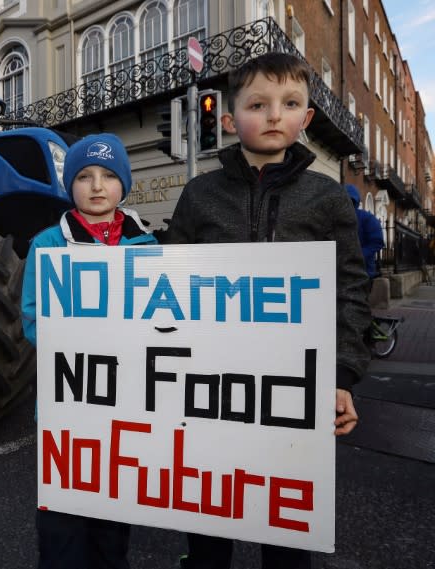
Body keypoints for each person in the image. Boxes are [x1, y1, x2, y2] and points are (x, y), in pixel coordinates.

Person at [165, 53, 371, 569]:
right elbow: (167, 283)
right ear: (231, 119)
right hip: (210, 384)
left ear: (306, 118)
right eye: (259, 104)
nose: (274, 115)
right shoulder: (199, 194)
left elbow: (349, 288)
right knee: (208, 513)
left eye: (290, 104)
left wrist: (343, 373)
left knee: (285, 528)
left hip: (291, 390)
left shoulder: (327, 198)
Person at [21, 133, 157, 569]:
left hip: (124, 408)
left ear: (124, 184)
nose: (96, 186)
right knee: (61, 523)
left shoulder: (147, 246)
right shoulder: (47, 244)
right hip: (67, 407)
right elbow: (32, 316)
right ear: (69, 185)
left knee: (112, 521)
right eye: (83, 176)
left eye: (108, 175)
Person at [345, 184, 385, 279]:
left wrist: (356, 256)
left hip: (363, 271)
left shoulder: (368, 218)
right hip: (340, 272)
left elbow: (376, 243)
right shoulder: (335, 218)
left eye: (351, 201)